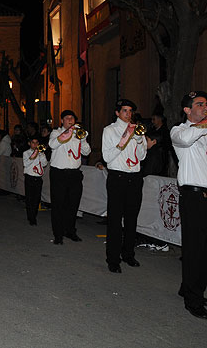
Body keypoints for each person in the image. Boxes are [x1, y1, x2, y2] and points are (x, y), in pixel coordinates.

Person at [171, 91, 207, 319]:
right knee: (195, 249)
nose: (205, 107)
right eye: (200, 104)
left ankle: (189, 287)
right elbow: (185, 140)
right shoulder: (179, 130)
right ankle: (193, 299)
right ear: (187, 110)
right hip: (193, 196)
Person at [102, 99, 148, 273]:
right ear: (117, 113)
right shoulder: (109, 130)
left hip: (135, 178)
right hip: (117, 178)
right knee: (114, 219)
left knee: (131, 218)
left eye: (130, 111)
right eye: (124, 111)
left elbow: (142, 156)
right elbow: (107, 157)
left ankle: (128, 253)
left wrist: (137, 139)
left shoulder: (137, 129)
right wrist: (124, 140)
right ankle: (113, 259)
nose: (128, 114)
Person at [48, 110, 91, 244]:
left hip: (74, 174)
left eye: (72, 118)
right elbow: (52, 144)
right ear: (62, 121)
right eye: (67, 118)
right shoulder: (56, 133)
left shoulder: (78, 135)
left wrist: (82, 139)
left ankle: (70, 231)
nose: (70, 120)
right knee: (58, 205)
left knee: (73, 205)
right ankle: (58, 235)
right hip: (59, 173)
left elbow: (87, 152)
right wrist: (68, 132)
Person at [23, 136, 48, 226]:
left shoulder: (41, 153)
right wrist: (35, 153)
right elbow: (26, 163)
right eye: (33, 143)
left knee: (36, 199)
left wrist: (40, 154)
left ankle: (34, 215)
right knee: (29, 198)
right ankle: (31, 217)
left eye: (37, 143)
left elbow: (44, 164)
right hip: (29, 177)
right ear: (29, 144)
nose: (35, 144)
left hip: (38, 178)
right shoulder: (26, 153)